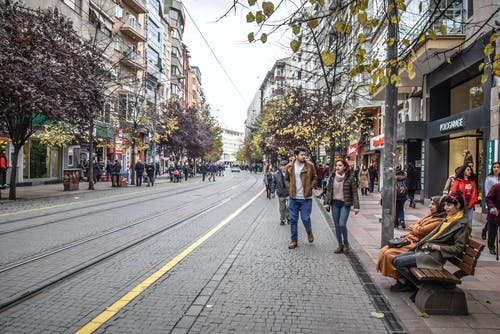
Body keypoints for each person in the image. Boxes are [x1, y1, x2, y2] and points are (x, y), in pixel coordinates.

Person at [391, 191, 471, 301]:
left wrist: (437, 247)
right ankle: (419, 286)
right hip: (426, 250)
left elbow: (458, 248)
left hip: (434, 256)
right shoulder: (449, 218)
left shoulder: (462, 224)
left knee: (399, 262)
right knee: (395, 259)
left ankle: (418, 286)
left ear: (458, 206)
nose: (446, 208)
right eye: (445, 205)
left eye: (449, 205)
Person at [377, 196, 446, 284]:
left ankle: (403, 280)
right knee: (384, 249)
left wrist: (416, 228)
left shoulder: (438, 221)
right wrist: (416, 228)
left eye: (433, 204)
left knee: (389, 254)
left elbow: (421, 230)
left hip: (417, 244)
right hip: (411, 239)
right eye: (430, 203)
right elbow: (414, 225)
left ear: (440, 207)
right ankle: (400, 278)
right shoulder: (431, 216)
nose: (430, 206)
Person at [323, 158, 360, 254]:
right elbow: (329, 191)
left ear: (345, 167)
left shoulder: (350, 178)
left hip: (345, 204)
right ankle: (340, 245)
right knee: (336, 225)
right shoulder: (332, 177)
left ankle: (346, 243)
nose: (337, 167)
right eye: (336, 165)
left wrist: (356, 206)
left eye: (340, 165)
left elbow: (354, 193)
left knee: (342, 224)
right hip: (335, 203)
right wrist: (326, 202)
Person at [284, 147, 318, 249]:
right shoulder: (290, 166)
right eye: (302, 155)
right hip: (293, 198)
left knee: (305, 218)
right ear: (296, 155)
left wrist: (310, 186)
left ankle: (309, 232)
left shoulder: (310, 165)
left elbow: (315, 177)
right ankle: (294, 241)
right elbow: (286, 179)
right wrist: (289, 188)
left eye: (305, 155)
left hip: (306, 198)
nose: (304, 156)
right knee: (293, 220)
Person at [483, 162, 500, 240]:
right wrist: (489, 204)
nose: (496, 169)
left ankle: (485, 229)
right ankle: (485, 231)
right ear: (492, 168)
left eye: (498, 167)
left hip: (498, 200)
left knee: (492, 220)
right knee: (492, 219)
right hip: (492, 201)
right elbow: (487, 190)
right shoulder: (489, 178)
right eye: (494, 167)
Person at [273, 160, 290, 225]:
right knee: (282, 208)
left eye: (285, 166)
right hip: (281, 194)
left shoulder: (291, 174)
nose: (284, 167)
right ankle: (282, 219)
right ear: (280, 167)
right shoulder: (276, 174)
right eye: (282, 166)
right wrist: (273, 192)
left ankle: (289, 218)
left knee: (289, 206)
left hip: (289, 193)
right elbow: (273, 183)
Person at [485, 183, 500, 255]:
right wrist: (492, 207)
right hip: (494, 214)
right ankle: (491, 247)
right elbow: (488, 198)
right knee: (492, 232)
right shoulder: (496, 186)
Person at [395, 164, 408, 229]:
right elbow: (405, 174)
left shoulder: (394, 176)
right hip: (403, 195)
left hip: (396, 195)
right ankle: (402, 219)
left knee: (396, 210)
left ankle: (396, 223)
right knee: (401, 209)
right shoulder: (404, 176)